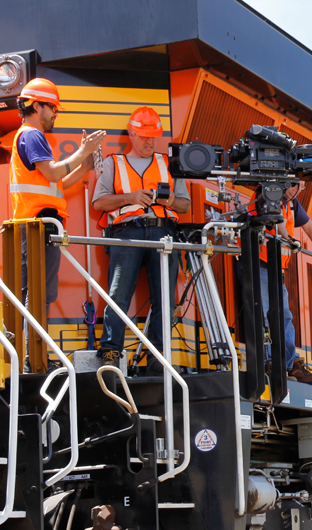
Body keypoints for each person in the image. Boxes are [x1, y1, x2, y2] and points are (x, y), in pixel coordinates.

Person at [10, 78, 105, 368]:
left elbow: (57, 182)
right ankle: (33, 357)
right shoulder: (31, 135)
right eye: (53, 108)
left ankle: (34, 355)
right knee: (37, 294)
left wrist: (84, 166)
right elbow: (52, 174)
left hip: (38, 225)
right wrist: (83, 151)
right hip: (36, 225)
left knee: (39, 293)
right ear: (36, 105)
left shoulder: (30, 137)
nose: (55, 114)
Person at [92, 107, 190, 374]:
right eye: (145, 136)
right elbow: (99, 201)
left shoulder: (169, 164)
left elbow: (184, 205)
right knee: (118, 294)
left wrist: (169, 201)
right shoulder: (115, 163)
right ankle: (111, 351)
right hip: (128, 233)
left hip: (164, 232)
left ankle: (158, 360)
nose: (150, 142)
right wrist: (131, 197)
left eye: (154, 137)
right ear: (132, 134)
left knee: (165, 300)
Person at [243, 182, 312, 386]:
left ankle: (289, 363)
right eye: (295, 185)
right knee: (265, 314)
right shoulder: (267, 193)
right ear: (285, 181)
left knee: (284, 315)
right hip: (257, 262)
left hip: (275, 266)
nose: (298, 189)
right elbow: (276, 222)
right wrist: (288, 238)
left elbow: (310, 227)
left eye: (301, 187)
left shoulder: (292, 203)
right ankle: (268, 362)